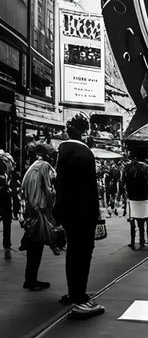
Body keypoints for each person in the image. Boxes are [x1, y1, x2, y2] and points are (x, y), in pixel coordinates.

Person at [53, 113, 105, 320]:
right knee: (83, 254)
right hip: (83, 214)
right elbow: (89, 190)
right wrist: (95, 214)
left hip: (66, 212)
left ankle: (74, 292)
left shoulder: (62, 151)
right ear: (86, 131)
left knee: (73, 253)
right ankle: (80, 299)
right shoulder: (84, 153)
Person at [20, 144, 58, 290]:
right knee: (37, 245)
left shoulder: (32, 167)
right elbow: (49, 190)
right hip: (39, 211)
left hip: (31, 210)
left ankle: (30, 278)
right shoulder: (45, 167)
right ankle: (31, 280)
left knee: (33, 246)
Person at [122, 149, 148, 249]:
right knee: (146, 221)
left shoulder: (127, 168)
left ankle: (133, 241)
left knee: (133, 222)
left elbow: (123, 183)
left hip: (132, 199)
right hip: (145, 199)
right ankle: (146, 240)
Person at [0, 159, 11, 260]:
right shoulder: (4, 162)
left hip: (4, 199)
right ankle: (7, 248)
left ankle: (7, 247)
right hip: (5, 199)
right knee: (7, 224)